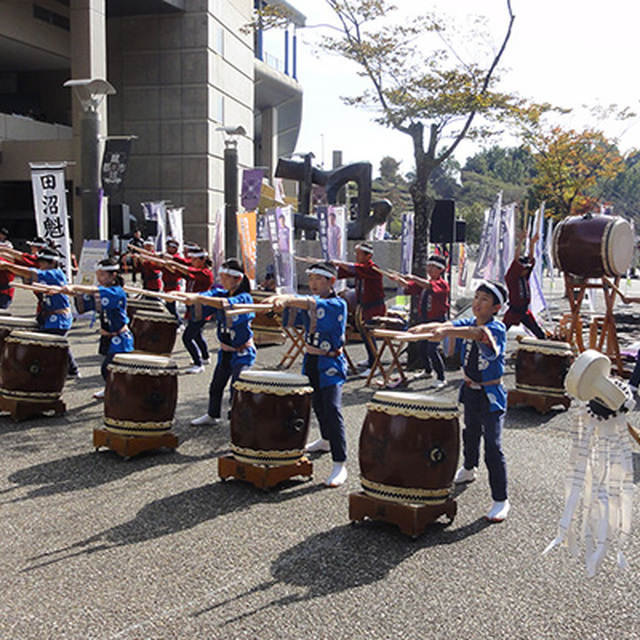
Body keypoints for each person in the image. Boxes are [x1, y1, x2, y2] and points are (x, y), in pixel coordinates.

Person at [409, 280, 510, 522]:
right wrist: (424, 327)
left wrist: (445, 332)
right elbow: (450, 324)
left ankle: (501, 499)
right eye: (476, 297)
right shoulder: (470, 321)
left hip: (491, 394)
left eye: (484, 300)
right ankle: (468, 467)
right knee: (470, 431)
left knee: (493, 446)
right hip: (471, 391)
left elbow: (475, 334)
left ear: (496, 307)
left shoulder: (496, 328)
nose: (477, 303)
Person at [267, 261, 349, 487]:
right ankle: (325, 439)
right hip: (311, 359)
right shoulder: (311, 303)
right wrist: (281, 305)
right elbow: (301, 310)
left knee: (332, 408)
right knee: (317, 405)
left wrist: (288, 299)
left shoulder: (337, 304)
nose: (312, 283)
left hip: (330, 361)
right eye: (310, 279)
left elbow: (312, 304)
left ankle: (340, 464)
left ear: (331, 281)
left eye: (317, 279)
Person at [189, 259, 256, 426]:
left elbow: (225, 305)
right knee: (216, 385)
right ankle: (212, 415)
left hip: (242, 352)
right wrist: (191, 298)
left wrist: (198, 298)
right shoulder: (221, 294)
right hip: (225, 351)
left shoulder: (245, 298)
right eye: (222, 277)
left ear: (237, 279)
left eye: (226, 277)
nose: (222, 280)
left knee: (237, 387)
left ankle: (238, 420)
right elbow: (209, 296)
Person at [0, 245, 80, 377]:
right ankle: (72, 370)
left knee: (50, 346)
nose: (41, 265)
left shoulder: (55, 274)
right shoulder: (47, 273)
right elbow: (24, 264)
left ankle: (61, 372)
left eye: (43, 262)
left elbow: (28, 272)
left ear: (53, 262)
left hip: (58, 319)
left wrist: (8, 266)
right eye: (40, 262)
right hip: (48, 317)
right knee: (57, 345)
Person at [66, 257, 134, 399]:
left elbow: (94, 291)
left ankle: (121, 392)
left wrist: (75, 287)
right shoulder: (105, 291)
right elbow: (89, 298)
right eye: (98, 275)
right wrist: (72, 293)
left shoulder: (117, 292)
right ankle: (111, 388)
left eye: (103, 275)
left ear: (113, 275)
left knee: (108, 368)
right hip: (108, 336)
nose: (100, 278)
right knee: (109, 367)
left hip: (120, 337)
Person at [389, 254, 450, 389]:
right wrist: (399, 280)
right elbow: (411, 287)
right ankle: (428, 371)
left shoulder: (442, 284)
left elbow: (428, 286)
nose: (429, 269)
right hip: (425, 320)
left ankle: (441, 377)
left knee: (432, 349)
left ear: (441, 269)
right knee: (421, 347)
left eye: (433, 267)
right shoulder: (425, 284)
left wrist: (413, 277)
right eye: (429, 266)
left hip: (437, 321)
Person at [334, 241, 386, 376]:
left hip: (375, 307)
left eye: (359, 254)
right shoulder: (361, 268)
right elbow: (346, 272)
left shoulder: (372, 269)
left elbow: (354, 269)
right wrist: (332, 267)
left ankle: (375, 365)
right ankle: (371, 359)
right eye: (356, 253)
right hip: (364, 306)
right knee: (364, 334)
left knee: (369, 334)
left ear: (368, 256)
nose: (356, 256)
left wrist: (341, 264)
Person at [503, 230, 546, 339]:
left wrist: (532, 243)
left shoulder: (524, 276)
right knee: (501, 331)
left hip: (525, 311)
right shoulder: (512, 277)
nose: (527, 270)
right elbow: (516, 259)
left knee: (539, 333)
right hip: (514, 311)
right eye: (525, 268)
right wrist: (521, 241)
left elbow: (531, 260)